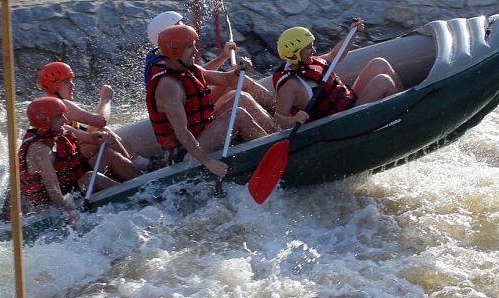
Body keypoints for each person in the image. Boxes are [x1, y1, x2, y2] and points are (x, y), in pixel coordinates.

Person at [147, 24, 275, 178]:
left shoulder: (189, 69)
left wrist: (239, 70)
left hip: (203, 134)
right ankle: (272, 152)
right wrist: (209, 162)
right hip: (187, 154)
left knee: (241, 98)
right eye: (189, 47)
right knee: (238, 115)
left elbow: (228, 79)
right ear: (175, 51)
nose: (195, 51)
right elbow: (182, 132)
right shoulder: (169, 86)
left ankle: (276, 134)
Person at [19, 97, 141, 223]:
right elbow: (52, 188)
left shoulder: (59, 130)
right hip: (52, 202)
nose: (65, 120)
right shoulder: (39, 151)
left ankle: (144, 181)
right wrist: (69, 212)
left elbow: (91, 139)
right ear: (46, 121)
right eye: (60, 116)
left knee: (108, 154)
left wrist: (102, 136)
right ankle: (137, 199)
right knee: (89, 178)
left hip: (69, 184)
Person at [272, 19, 403, 130]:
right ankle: (402, 120)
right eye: (308, 48)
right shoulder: (290, 85)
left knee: (379, 63)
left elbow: (334, 55)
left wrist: (353, 33)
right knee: (383, 81)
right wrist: (294, 120)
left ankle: (409, 105)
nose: (313, 50)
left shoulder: (309, 63)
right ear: (294, 54)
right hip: (342, 124)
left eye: (312, 45)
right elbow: (279, 118)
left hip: (349, 105)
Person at [145, 11, 277, 117]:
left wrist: (224, 57)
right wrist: (234, 74)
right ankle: (280, 115)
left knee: (239, 79)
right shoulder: (167, 66)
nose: (185, 29)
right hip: (197, 113)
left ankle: (279, 111)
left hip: (198, 105)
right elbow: (197, 84)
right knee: (241, 86)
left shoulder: (168, 57)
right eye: (180, 27)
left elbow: (199, 73)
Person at [38, 61, 151, 170]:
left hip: (70, 162)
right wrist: (105, 99)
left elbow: (91, 128)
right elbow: (101, 121)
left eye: (72, 81)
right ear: (53, 87)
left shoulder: (50, 105)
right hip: (71, 167)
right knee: (102, 131)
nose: (72, 86)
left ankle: (138, 162)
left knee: (102, 131)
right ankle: (139, 164)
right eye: (66, 82)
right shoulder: (61, 105)